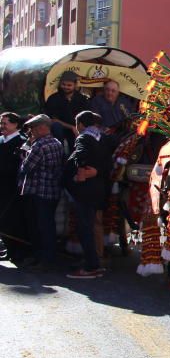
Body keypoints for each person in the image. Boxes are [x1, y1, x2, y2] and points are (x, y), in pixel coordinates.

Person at [64, 111, 112, 279]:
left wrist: (81, 171)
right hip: (99, 187)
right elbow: (108, 163)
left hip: (85, 189)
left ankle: (91, 266)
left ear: (80, 124)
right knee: (90, 226)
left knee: (84, 228)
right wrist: (97, 171)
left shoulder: (83, 138)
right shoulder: (103, 138)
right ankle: (93, 262)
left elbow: (80, 156)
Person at [18, 115, 65, 268]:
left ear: (41, 128)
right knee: (49, 225)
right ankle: (48, 257)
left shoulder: (39, 145)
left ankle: (44, 259)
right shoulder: (57, 142)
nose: (31, 132)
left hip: (39, 191)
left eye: (32, 129)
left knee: (41, 227)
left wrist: (24, 153)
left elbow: (26, 168)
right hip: (53, 189)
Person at [0, 112, 28, 261]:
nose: (2, 126)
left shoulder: (21, 141)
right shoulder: (1, 140)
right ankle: (8, 248)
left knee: (13, 219)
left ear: (15, 124)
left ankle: (17, 251)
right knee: (3, 220)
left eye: (5, 123)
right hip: (2, 187)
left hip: (12, 187)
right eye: (1, 123)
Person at [43, 71, 89, 143]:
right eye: (63, 84)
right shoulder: (53, 98)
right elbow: (53, 119)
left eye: (69, 85)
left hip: (78, 129)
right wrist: (72, 127)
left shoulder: (82, 99)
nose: (66, 87)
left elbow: (86, 117)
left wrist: (79, 128)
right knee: (56, 126)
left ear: (75, 85)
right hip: (61, 129)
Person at [88, 79, 135, 145]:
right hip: (101, 134)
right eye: (107, 90)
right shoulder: (97, 100)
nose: (110, 93)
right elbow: (94, 119)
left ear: (118, 92)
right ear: (104, 90)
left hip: (120, 136)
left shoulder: (125, 102)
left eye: (113, 91)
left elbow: (130, 118)